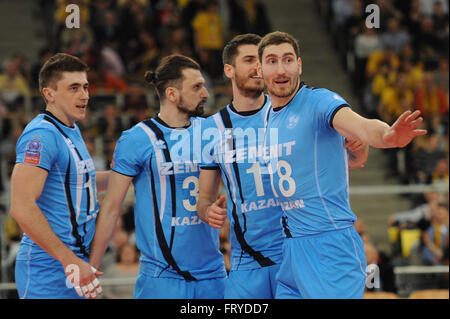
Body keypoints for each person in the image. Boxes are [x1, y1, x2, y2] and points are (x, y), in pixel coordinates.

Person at [197, 34, 369, 299]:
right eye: (252, 60)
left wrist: (361, 146)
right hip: (246, 262)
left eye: (263, 59)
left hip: (293, 252)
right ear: (229, 70)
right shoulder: (212, 128)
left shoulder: (292, 111)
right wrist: (207, 210)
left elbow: (342, 159)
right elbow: (204, 198)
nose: (262, 67)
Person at [257, 31, 427, 299]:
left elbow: (361, 126)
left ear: (299, 65)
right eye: (272, 61)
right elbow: (320, 162)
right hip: (291, 249)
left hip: (329, 245)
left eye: (288, 60)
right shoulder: (267, 115)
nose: (281, 69)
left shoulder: (319, 101)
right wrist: (353, 156)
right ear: (260, 69)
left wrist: (387, 136)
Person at [89, 54, 227, 299]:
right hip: (162, 278)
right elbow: (111, 208)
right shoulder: (137, 138)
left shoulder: (211, 131)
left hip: (213, 276)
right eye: (197, 86)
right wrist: (93, 266)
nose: (205, 93)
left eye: (204, 85)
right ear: (172, 94)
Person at [9, 53, 109, 299]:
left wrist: (128, 174)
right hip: (50, 265)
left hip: (73, 261)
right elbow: (21, 208)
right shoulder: (42, 135)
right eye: (73, 88)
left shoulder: (69, 128)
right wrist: (69, 261)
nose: (84, 95)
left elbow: (79, 183)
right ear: (49, 94)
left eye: (85, 87)